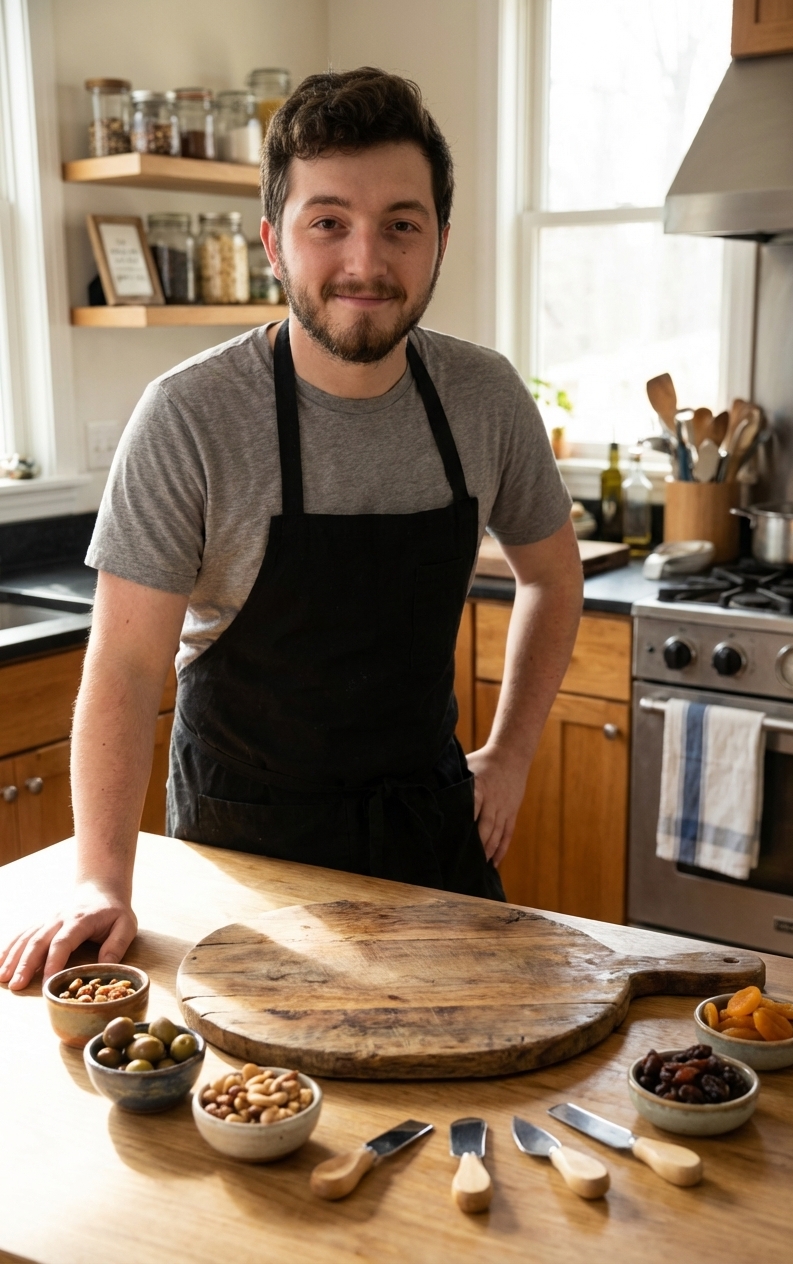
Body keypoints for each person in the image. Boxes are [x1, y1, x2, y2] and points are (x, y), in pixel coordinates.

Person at [0, 67, 582, 992]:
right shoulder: (189, 416)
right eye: (328, 223)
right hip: (246, 853)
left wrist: (509, 753)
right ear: (272, 242)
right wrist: (98, 879)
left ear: (438, 241)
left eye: (401, 223)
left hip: (431, 840)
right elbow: (123, 666)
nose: (365, 261)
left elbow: (554, 575)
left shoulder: (484, 398)